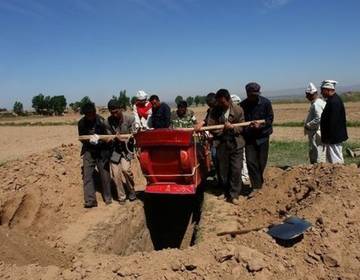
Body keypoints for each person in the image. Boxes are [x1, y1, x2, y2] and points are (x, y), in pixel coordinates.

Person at [207, 89, 245, 204]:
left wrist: (233, 128)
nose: (221, 104)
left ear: (228, 100)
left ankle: (234, 194)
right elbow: (211, 127)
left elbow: (242, 127)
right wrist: (222, 129)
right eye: (219, 102)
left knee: (236, 169)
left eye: (223, 102)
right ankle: (225, 192)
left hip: (235, 143)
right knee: (223, 170)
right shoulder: (214, 111)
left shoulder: (238, 110)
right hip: (221, 143)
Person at [78, 102, 112, 208]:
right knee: (87, 176)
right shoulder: (81, 123)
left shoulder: (102, 121)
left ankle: (108, 198)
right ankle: (90, 200)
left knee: (105, 175)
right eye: (87, 114)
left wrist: (99, 141)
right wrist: (89, 142)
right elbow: (82, 138)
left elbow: (108, 138)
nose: (89, 116)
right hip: (89, 150)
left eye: (91, 114)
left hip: (102, 151)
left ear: (94, 112)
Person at [241, 82, 274, 190]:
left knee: (261, 162)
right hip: (249, 138)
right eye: (252, 95)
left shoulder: (266, 103)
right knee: (251, 162)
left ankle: (259, 183)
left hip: (263, 137)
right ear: (247, 93)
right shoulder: (243, 106)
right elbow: (241, 122)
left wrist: (260, 126)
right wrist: (249, 127)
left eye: (256, 94)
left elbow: (270, 119)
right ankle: (256, 187)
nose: (255, 96)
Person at [106, 99, 136, 204]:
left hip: (127, 150)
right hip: (115, 151)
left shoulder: (130, 119)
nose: (114, 115)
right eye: (112, 112)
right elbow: (108, 136)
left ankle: (131, 191)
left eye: (116, 112)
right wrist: (111, 138)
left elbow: (134, 136)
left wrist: (123, 139)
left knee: (125, 170)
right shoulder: (108, 121)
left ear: (120, 109)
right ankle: (121, 196)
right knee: (116, 174)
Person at [320, 80, 348, 163]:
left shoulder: (334, 102)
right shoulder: (332, 100)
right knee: (331, 160)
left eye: (322, 90)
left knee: (336, 160)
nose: (321, 93)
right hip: (332, 137)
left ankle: (340, 175)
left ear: (328, 90)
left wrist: (328, 138)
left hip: (334, 138)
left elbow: (333, 122)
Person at [304, 82, 326, 164]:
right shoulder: (320, 102)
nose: (306, 96)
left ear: (312, 94)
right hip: (317, 131)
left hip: (316, 132)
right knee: (316, 152)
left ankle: (318, 171)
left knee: (318, 153)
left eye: (307, 94)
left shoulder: (316, 104)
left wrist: (308, 125)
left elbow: (319, 118)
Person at [231, 94, 250, 186]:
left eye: (238, 104)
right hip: (234, 140)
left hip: (243, 138)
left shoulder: (241, 112)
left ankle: (245, 177)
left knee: (244, 158)